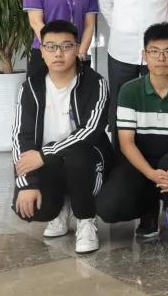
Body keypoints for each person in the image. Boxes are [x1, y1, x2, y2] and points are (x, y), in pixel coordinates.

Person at [95, 23, 168, 256]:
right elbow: (126, 143)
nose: (161, 58)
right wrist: (150, 174)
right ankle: (148, 211)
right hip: (142, 163)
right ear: (144, 55)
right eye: (154, 52)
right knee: (108, 207)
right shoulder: (130, 91)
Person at [11, 20, 111, 254]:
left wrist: (44, 154)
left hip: (88, 159)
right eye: (51, 47)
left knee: (76, 156)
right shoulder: (30, 87)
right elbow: (20, 136)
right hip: (49, 162)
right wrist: (27, 183)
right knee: (36, 210)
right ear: (42, 51)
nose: (58, 53)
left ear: (77, 48)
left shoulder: (95, 83)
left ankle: (85, 220)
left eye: (66, 46)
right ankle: (63, 206)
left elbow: (90, 131)